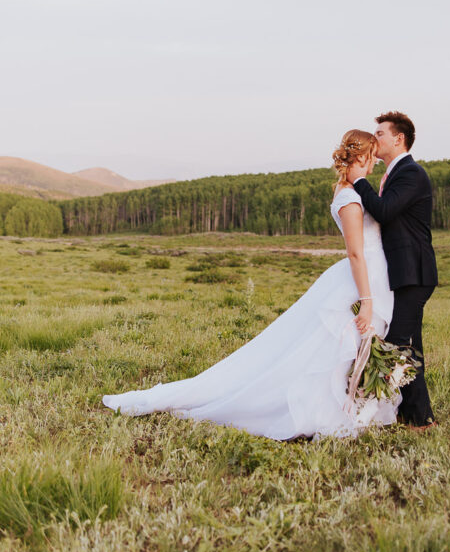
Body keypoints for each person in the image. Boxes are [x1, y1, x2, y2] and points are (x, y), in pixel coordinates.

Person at [102, 130, 399, 440]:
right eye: (371, 159)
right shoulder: (350, 198)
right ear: (361, 157)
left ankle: (352, 404)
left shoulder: (349, 190)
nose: (373, 165)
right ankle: (324, 409)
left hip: (369, 275)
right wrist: (366, 300)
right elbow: (355, 253)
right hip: (360, 280)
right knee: (328, 351)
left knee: (338, 348)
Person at [347, 111, 438, 429]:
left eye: (380, 134)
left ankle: (366, 412)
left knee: (397, 343)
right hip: (403, 271)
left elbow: (385, 211)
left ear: (399, 139)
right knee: (409, 345)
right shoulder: (395, 173)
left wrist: (359, 180)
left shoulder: (411, 173)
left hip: (414, 272)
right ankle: (418, 416)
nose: (375, 138)